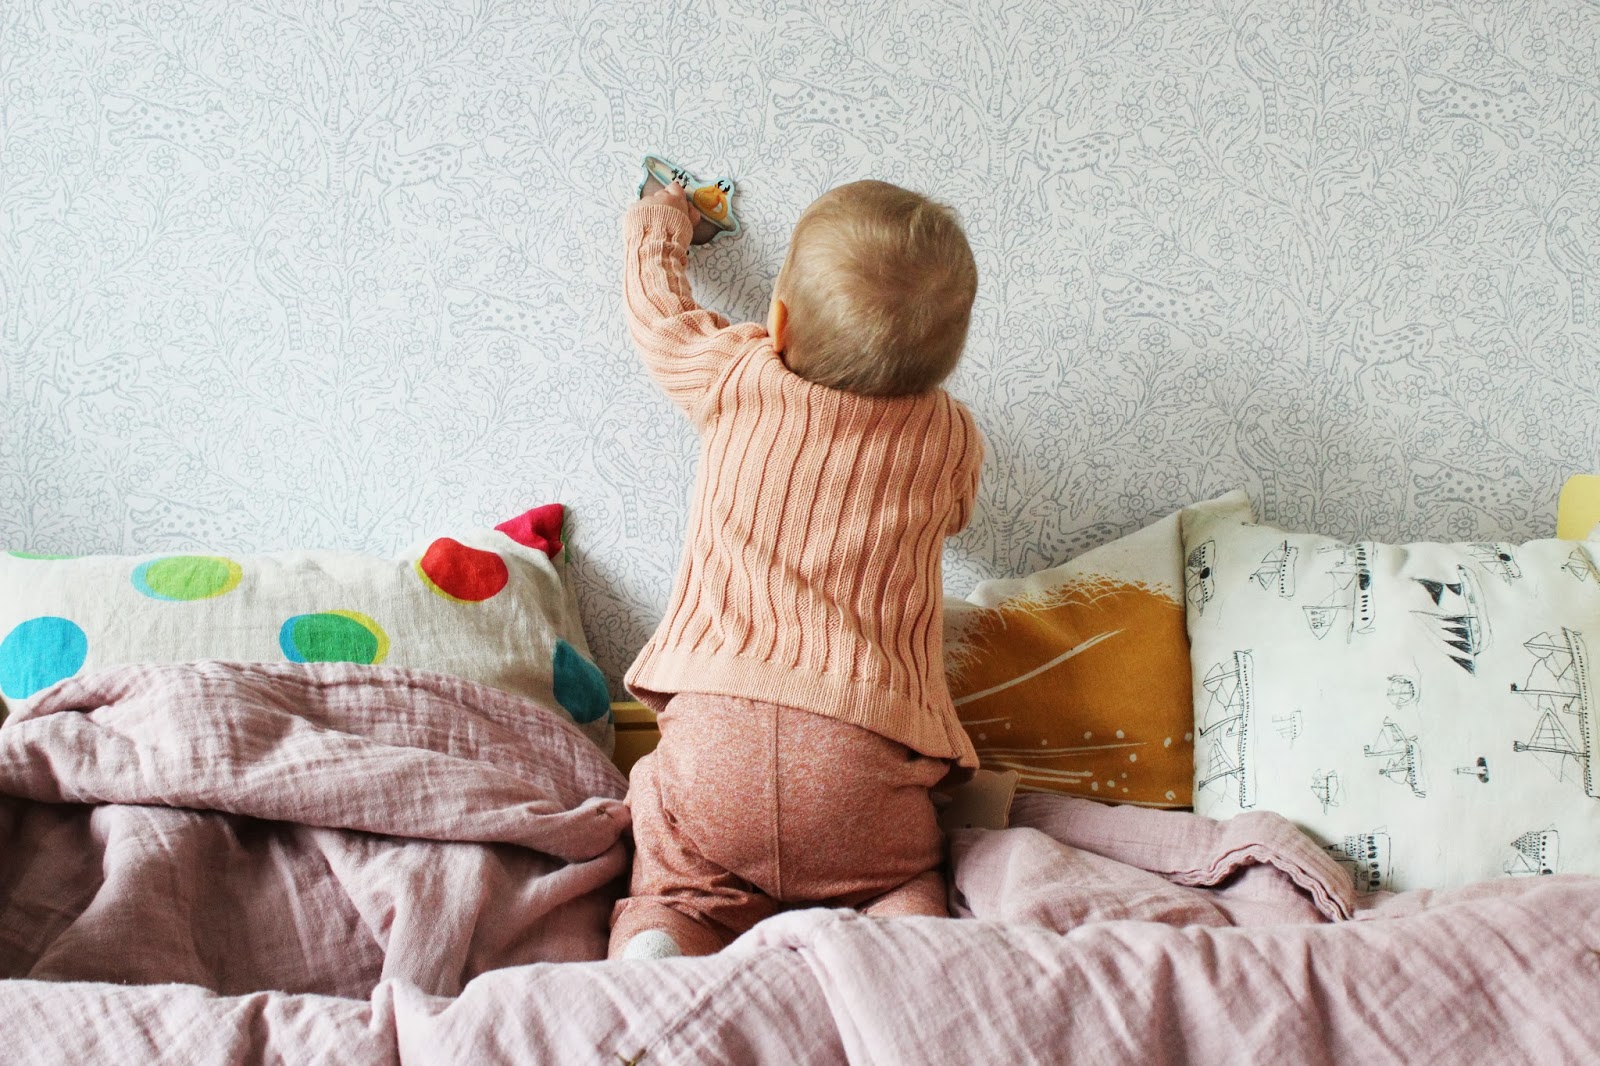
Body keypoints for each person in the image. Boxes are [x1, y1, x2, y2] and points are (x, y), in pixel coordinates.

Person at [610, 176, 984, 960]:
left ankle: (665, 936)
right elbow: (956, 514)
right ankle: (901, 936)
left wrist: (660, 217)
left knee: (679, 881)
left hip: (714, 741)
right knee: (898, 878)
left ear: (776, 321)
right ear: (944, 360)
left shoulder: (737, 374)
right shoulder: (950, 437)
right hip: (859, 758)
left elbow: (659, 318)